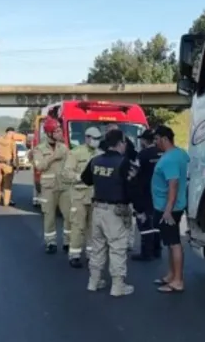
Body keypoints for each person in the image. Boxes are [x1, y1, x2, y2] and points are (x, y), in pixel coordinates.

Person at [79, 129, 136, 297]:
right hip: (116, 211)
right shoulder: (124, 163)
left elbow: (86, 179)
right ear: (120, 143)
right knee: (117, 248)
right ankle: (118, 286)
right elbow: (132, 188)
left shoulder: (95, 160)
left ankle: (94, 281)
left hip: (97, 209)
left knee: (97, 248)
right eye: (124, 143)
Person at [150, 126, 190, 294]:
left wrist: (168, 209)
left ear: (165, 139)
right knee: (169, 242)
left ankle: (178, 281)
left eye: (157, 139)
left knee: (174, 243)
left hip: (168, 207)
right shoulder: (180, 154)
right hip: (172, 205)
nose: (155, 143)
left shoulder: (170, 160)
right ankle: (171, 275)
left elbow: (173, 184)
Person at [61, 126, 103, 268]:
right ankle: (75, 255)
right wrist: (81, 177)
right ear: (86, 138)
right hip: (79, 195)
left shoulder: (101, 154)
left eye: (98, 138)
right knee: (77, 226)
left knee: (93, 227)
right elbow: (66, 173)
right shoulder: (75, 153)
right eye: (94, 138)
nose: (96, 141)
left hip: (95, 195)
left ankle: (91, 254)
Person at [33, 117, 71, 254]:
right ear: (49, 133)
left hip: (65, 186)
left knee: (69, 215)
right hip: (48, 187)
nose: (60, 133)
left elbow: (70, 165)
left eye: (60, 130)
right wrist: (54, 156)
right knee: (49, 216)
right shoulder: (39, 149)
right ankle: (51, 242)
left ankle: (68, 241)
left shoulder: (64, 147)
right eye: (57, 131)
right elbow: (39, 166)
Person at [130, 128, 163, 261]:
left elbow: (134, 174)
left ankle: (146, 252)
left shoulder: (142, 155)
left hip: (145, 192)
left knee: (144, 223)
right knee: (157, 222)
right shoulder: (163, 153)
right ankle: (157, 249)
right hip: (161, 192)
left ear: (144, 140)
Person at [0, 127, 19, 207]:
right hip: (8, 165)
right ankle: (6, 202)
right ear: (11, 133)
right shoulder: (12, 142)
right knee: (7, 183)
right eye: (13, 133)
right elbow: (14, 156)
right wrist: (17, 166)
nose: (13, 135)